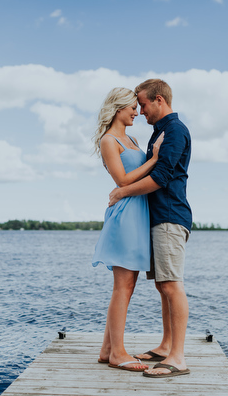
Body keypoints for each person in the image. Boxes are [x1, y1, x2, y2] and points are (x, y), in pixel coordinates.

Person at [108, 79, 192, 378]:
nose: (140, 112)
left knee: (171, 284)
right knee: (162, 285)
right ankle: (166, 345)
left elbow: (162, 176)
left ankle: (178, 358)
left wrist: (122, 192)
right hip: (156, 218)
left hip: (170, 217)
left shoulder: (174, 131)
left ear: (159, 100)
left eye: (142, 105)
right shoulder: (159, 132)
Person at [91, 87, 163, 372]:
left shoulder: (131, 138)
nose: (137, 111)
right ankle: (118, 354)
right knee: (124, 285)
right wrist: (155, 160)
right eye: (133, 107)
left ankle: (107, 349)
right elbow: (122, 180)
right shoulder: (109, 140)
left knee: (127, 285)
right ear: (118, 108)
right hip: (125, 215)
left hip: (137, 214)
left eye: (137, 106)